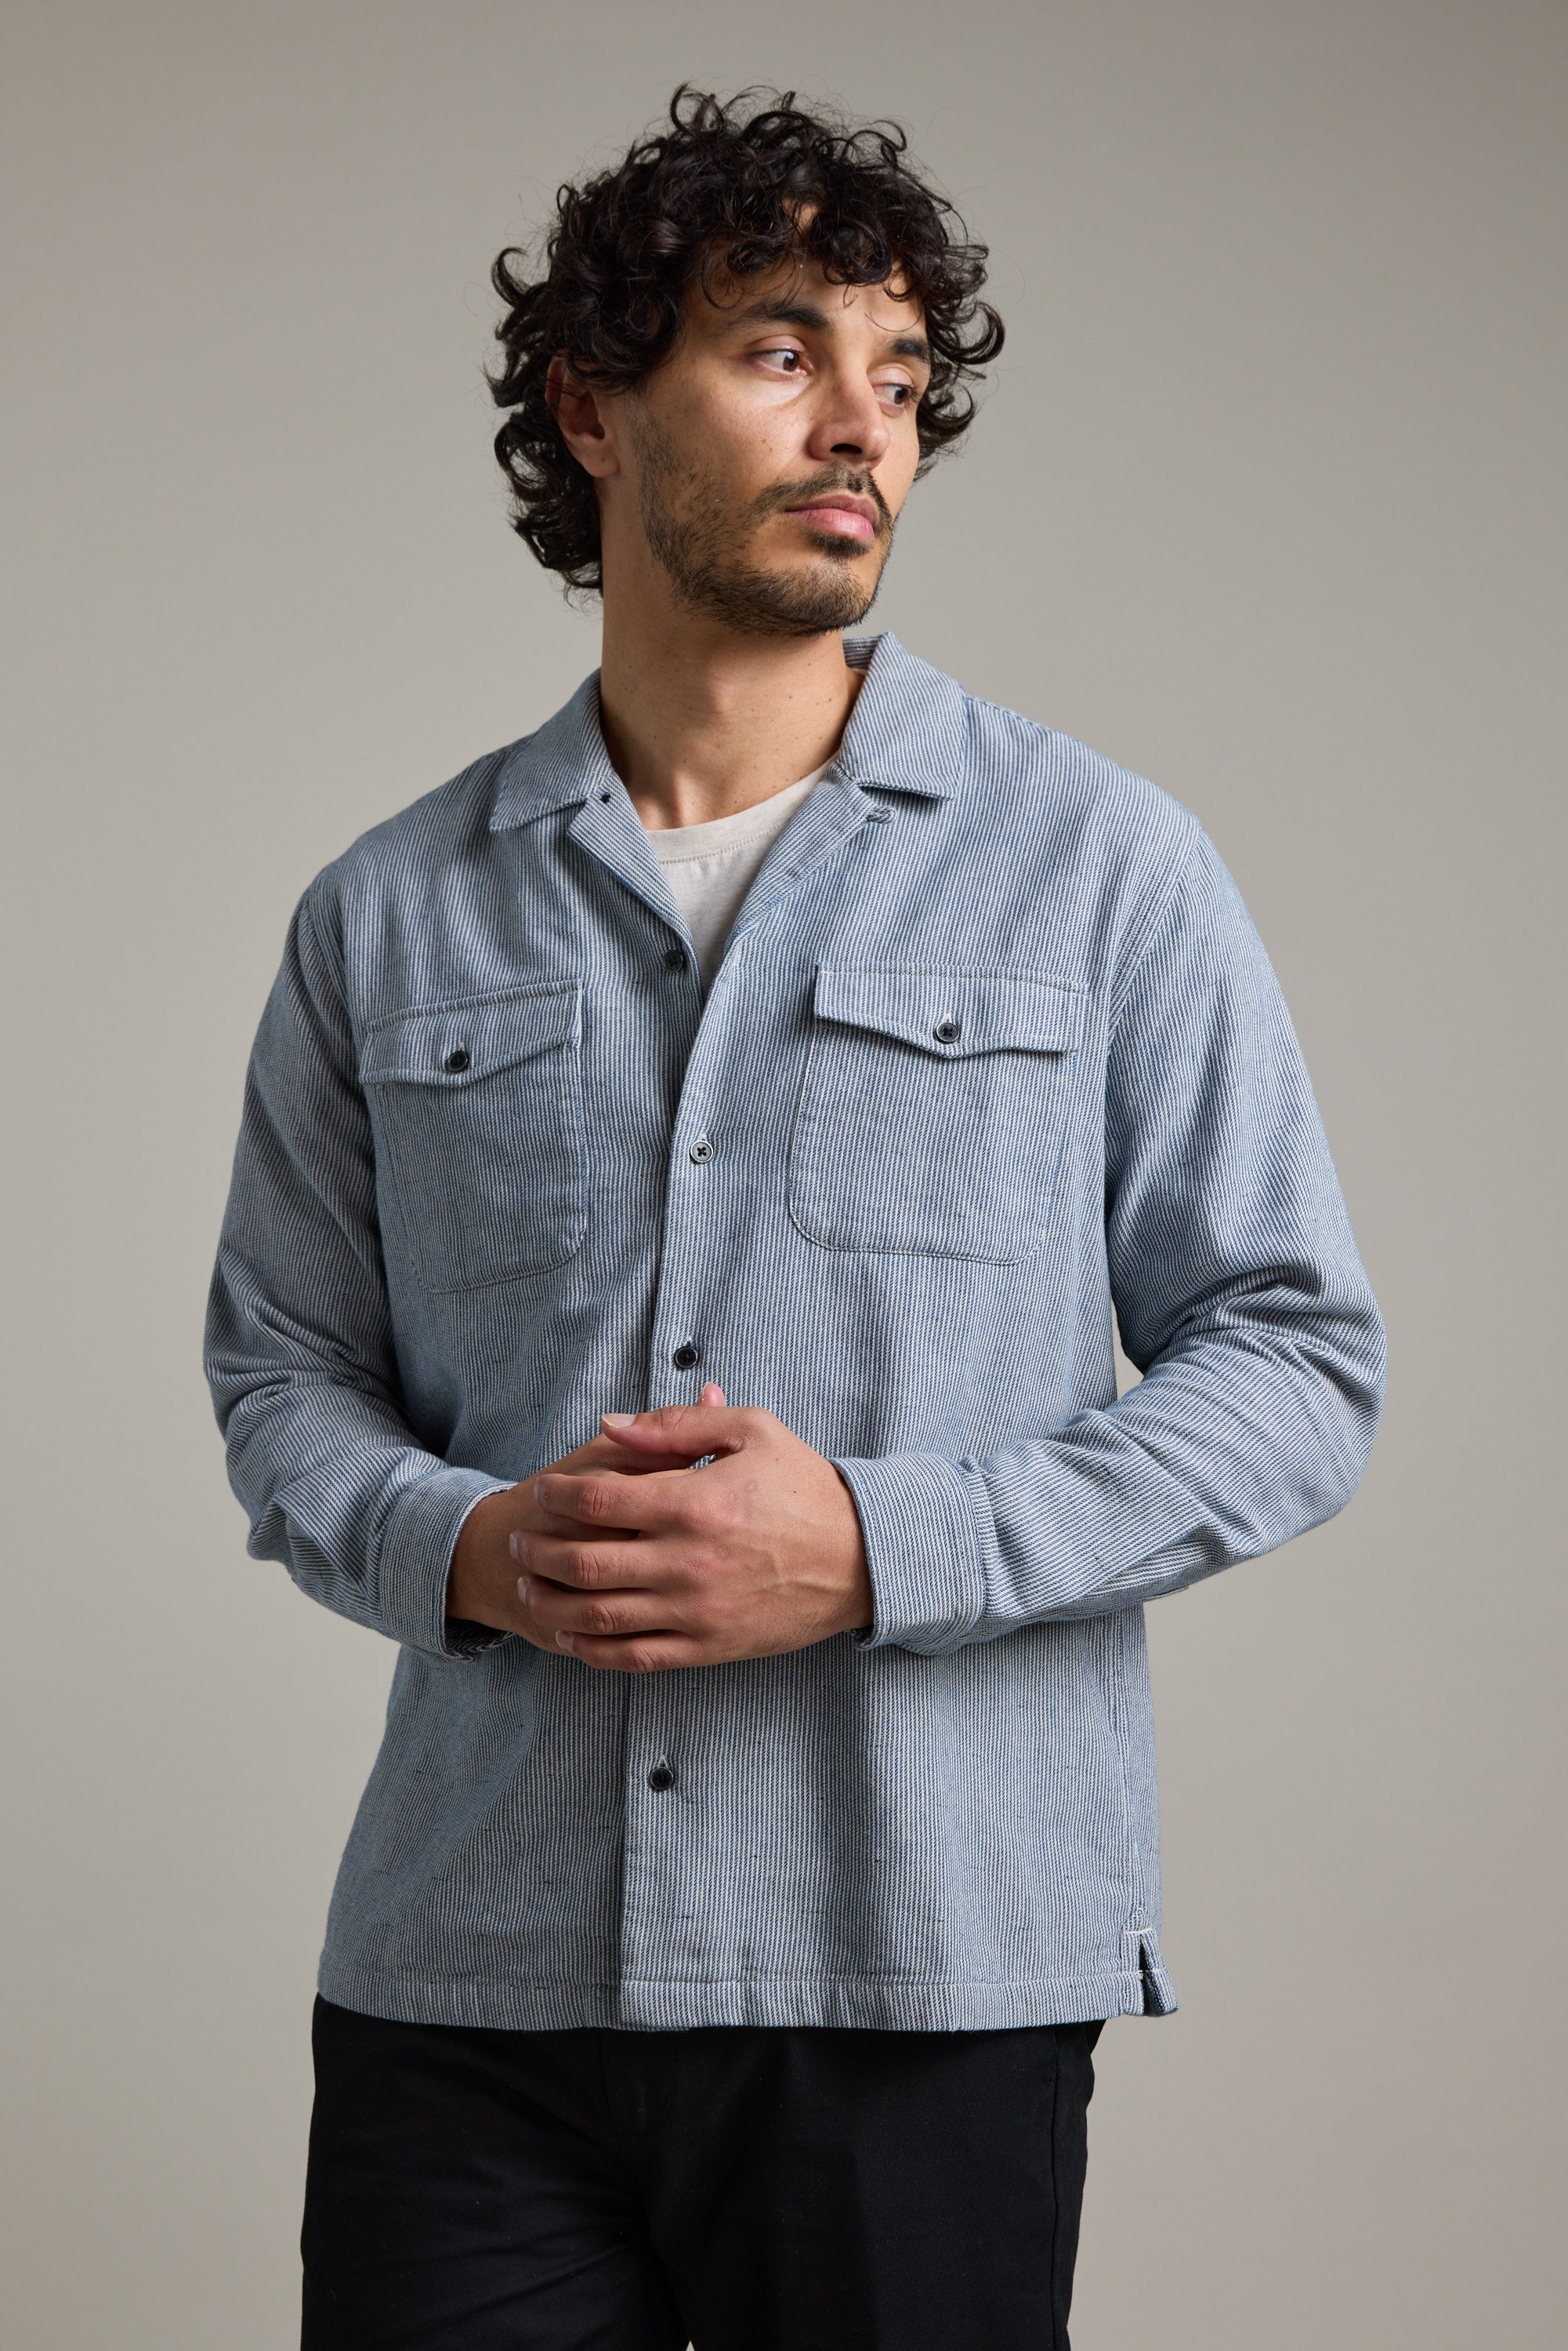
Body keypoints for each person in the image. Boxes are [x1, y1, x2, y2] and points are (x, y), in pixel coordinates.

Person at [206, 85, 1385, 2351]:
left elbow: (1295, 1364)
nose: (863, 423)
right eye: (779, 349)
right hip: (472, 1982)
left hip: (916, 1978)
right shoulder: (388, 912)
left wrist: (877, 1545)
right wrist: (458, 1548)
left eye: (903, 375)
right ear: (592, 406)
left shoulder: (1100, 866)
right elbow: (281, 1372)